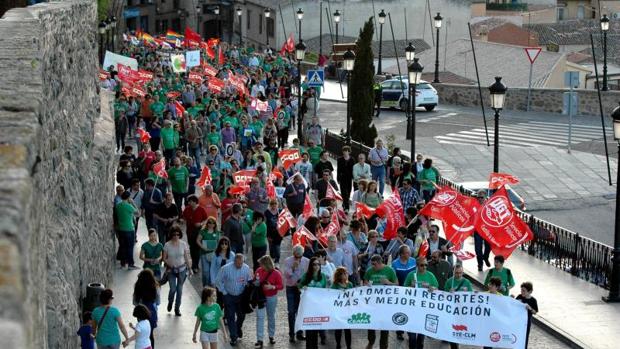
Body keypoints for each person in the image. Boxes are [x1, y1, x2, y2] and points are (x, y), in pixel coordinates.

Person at [216, 253, 253, 346]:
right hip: (229, 296)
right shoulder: (225, 268)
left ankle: (237, 328)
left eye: (241, 263)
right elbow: (218, 281)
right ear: (234, 261)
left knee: (241, 316)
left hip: (241, 296)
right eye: (238, 264)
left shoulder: (246, 268)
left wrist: (248, 287)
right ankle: (233, 337)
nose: (239, 265)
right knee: (230, 317)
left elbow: (249, 280)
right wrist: (224, 292)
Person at [364, 255, 397, 349]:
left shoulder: (390, 270)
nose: (373, 266)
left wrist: (388, 283)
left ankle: (384, 346)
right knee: (371, 323)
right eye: (372, 264)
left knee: (384, 325)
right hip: (372, 303)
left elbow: (397, 285)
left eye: (374, 264)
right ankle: (371, 342)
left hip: (385, 303)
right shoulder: (369, 271)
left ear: (380, 263)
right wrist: (367, 284)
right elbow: (365, 282)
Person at [404, 257, 438, 349]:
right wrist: (411, 286)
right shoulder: (411, 275)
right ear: (417, 266)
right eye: (422, 265)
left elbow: (437, 289)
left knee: (421, 338)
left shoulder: (430, 275)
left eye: (426, 265)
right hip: (412, 309)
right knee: (412, 337)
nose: (425, 267)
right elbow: (403, 290)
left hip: (424, 310)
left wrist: (432, 288)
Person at [298, 257, 329, 348]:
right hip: (308, 306)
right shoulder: (306, 275)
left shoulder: (323, 276)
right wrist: (302, 288)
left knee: (316, 327)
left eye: (318, 264)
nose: (316, 266)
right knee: (309, 328)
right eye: (314, 264)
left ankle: (315, 346)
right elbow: (299, 286)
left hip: (318, 306)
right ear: (311, 266)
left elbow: (325, 289)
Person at [254, 255, 284, 348]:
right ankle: (260, 339)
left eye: (261, 264)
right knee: (260, 317)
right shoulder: (258, 270)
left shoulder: (276, 273)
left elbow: (281, 286)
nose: (260, 266)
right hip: (260, 298)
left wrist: (272, 287)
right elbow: (254, 280)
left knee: (271, 317)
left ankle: (271, 336)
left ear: (266, 264)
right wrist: (255, 283)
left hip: (271, 297)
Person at [163, 225, 192, 316]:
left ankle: (177, 308)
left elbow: (186, 257)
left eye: (178, 234)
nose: (176, 236)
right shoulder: (167, 245)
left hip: (182, 269)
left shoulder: (183, 244)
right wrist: (169, 264)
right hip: (171, 269)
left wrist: (190, 268)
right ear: (171, 235)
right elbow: (164, 258)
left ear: (180, 235)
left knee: (179, 290)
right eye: (174, 234)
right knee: (172, 289)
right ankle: (170, 302)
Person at [283, 244, 310, 343]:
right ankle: (291, 334)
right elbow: (286, 275)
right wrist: (293, 268)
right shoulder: (288, 261)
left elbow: (308, 275)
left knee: (300, 311)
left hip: (301, 289)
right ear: (293, 254)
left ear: (302, 254)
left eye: (300, 256)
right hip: (291, 288)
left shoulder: (307, 261)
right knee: (291, 312)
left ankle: (299, 333)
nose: (298, 258)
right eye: (296, 256)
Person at [444, 265, 473, 349]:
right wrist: (449, 292)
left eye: (460, 273)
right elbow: (443, 297)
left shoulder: (467, 282)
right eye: (456, 273)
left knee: (459, 330)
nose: (459, 275)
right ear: (453, 273)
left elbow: (471, 296)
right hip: (452, 311)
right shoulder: (449, 282)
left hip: (462, 311)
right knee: (452, 330)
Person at [132, 269, 159, 348]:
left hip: (141, 311)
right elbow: (158, 301)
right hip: (152, 311)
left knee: (142, 332)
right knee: (150, 334)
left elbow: (134, 302)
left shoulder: (137, 286)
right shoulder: (155, 286)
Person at [182, 194, 209, 273]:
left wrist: (200, 224)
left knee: (197, 248)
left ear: (194, 202)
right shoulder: (187, 209)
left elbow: (206, 219)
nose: (189, 203)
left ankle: (195, 265)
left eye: (190, 201)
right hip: (190, 232)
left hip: (199, 232)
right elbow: (184, 218)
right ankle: (193, 263)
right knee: (191, 247)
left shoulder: (201, 209)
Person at [210, 237, 235, 308]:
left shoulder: (232, 255)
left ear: (228, 245)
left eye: (226, 244)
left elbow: (234, 267)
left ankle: (226, 315)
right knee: (219, 300)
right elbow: (212, 268)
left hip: (228, 281)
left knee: (227, 299)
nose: (224, 245)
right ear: (219, 245)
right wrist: (213, 281)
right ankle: (220, 315)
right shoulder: (216, 254)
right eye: (222, 244)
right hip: (219, 280)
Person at [331, 267, 353, 349]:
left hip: (347, 310)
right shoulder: (335, 285)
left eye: (346, 273)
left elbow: (354, 296)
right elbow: (332, 296)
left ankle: (348, 346)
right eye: (343, 274)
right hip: (338, 311)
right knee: (338, 329)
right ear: (339, 276)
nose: (345, 275)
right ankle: (338, 345)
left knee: (348, 330)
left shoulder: (350, 284)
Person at [115, 191, 138, 269]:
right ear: (128, 198)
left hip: (121, 229)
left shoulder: (118, 206)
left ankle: (123, 263)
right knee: (130, 247)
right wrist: (133, 203)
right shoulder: (128, 206)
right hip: (129, 229)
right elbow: (137, 212)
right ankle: (130, 264)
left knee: (123, 246)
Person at [197, 216, 220, 287]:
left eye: (213, 223)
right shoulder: (203, 231)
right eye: (209, 222)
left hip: (214, 254)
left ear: (215, 224)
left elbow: (219, 242)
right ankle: (205, 286)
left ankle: (210, 287)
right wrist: (203, 247)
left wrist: (217, 248)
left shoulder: (217, 232)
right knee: (206, 272)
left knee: (212, 271)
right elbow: (198, 240)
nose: (211, 224)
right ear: (207, 223)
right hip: (204, 253)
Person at [516, 282, 538, 349]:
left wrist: (530, 308)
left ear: (530, 291)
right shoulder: (519, 296)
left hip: (526, 322)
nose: (522, 292)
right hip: (518, 320)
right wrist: (515, 301)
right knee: (516, 336)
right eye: (521, 290)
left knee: (525, 337)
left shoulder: (533, 300)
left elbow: (535, 312)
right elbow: (512, 305)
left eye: (524, 291)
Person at [473, 189, 491, 271]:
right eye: (478, 197)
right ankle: (480, 264)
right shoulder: (475, 205)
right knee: (478, 249)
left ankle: (485, 257)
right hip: (478, 230)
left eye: (481, 197)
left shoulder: (489, 205)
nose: (479, 199)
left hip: (487, 230)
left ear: (485, 197)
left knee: (488, 247)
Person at [337, 145, 355, 211]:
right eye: (344, 151)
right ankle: (347, 208)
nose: (345, 152)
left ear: (349, 152)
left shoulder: (352, 159)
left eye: (346, 151)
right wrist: (338, 178)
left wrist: (354, 178)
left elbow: (353, 169)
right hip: (342, 177)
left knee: (349, 191)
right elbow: (338, 169)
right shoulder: (340, 159)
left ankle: (344, 203)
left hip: (349, 178)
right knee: (343, 192)